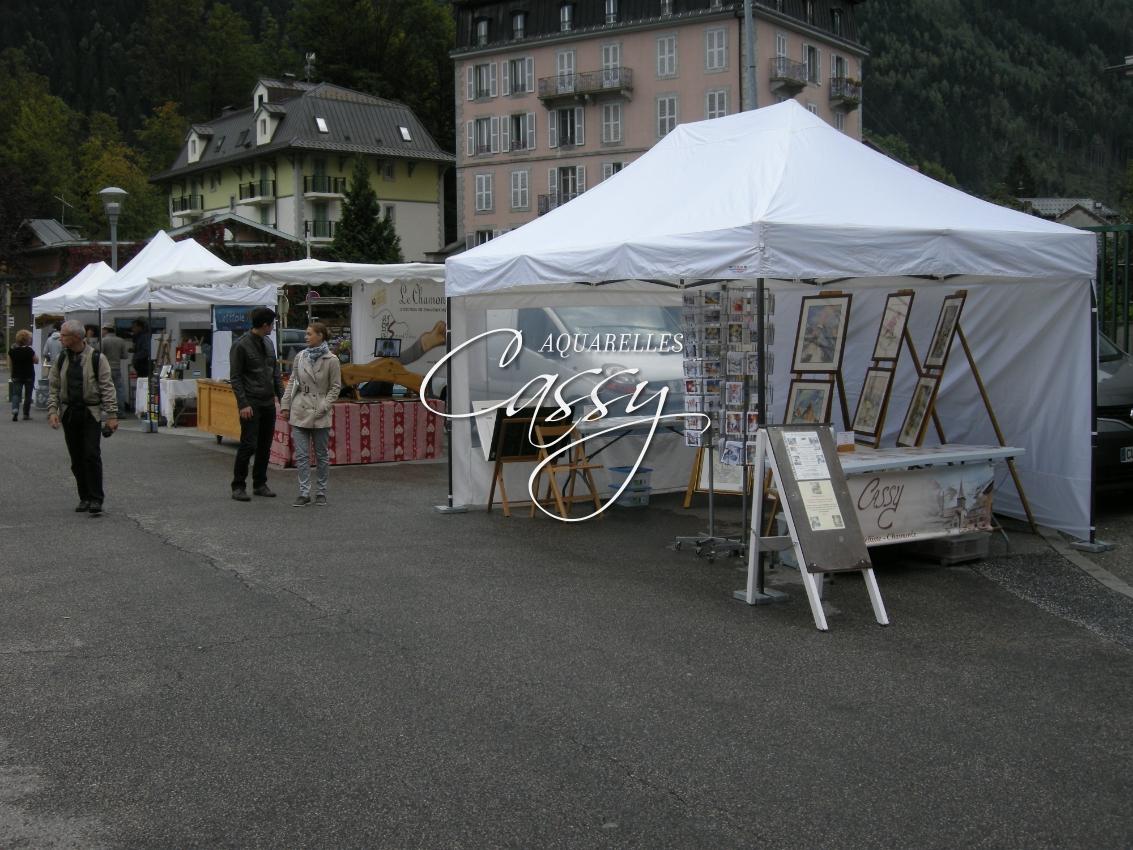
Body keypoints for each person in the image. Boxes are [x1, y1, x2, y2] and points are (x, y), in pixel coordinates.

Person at [47, 319, 118, 515]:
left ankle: (96, 498)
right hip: (70, 412)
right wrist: (53, 411)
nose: (60, 338)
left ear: (76, 337)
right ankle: (84, 496)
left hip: (90, 412)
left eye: (64, 335)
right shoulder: (61, 358)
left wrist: (112, 415)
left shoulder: (96, 358)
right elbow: (54, 387)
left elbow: (107, 387)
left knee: (91, 455)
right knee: (76, 458)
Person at [281, 322, 342, 507]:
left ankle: (321, 491)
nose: (306, 337)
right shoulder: (300, 356)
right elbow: (292, 382)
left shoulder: (332, 360)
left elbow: (335, 387)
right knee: (301, 455)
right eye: (306, 334)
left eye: (309, 334)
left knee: (321, 455)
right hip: (300, 408)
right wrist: (285, 404)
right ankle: (304, 492)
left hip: (320, 409)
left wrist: (324, 405)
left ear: (320, 336)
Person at [229, 306, 283, 501]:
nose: (273, 327)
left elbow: (275, 373)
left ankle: (260, 483)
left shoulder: (268, 343)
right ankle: (238, 485)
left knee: (265, 445)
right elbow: (235, 377)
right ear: (265, 325)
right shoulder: (240, 345)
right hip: (251, 402)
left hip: (267, 402)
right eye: (272, 324)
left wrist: (282, 398)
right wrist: (243, 404)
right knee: (248, 444)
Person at [8, 328, 38, 421]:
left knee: (16, 394)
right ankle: (26, 414)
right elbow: (36, 360)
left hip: (16, 375)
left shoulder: (12, 351)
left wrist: (11, 374)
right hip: (29, 375)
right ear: (27, 339)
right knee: (28, 395)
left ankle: (15, 410)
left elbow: (10, 364)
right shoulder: (29, 350)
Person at [99, 326, 129, 412]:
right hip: (117, 368)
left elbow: (99, 354)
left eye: (102, 330)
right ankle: (121, 411)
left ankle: (109, 410)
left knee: (106, 390)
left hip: (105, 369)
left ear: (106, 330)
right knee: (119, 390)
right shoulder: (121, 340)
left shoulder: (103, 341)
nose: (102, 332)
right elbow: (125, 356)